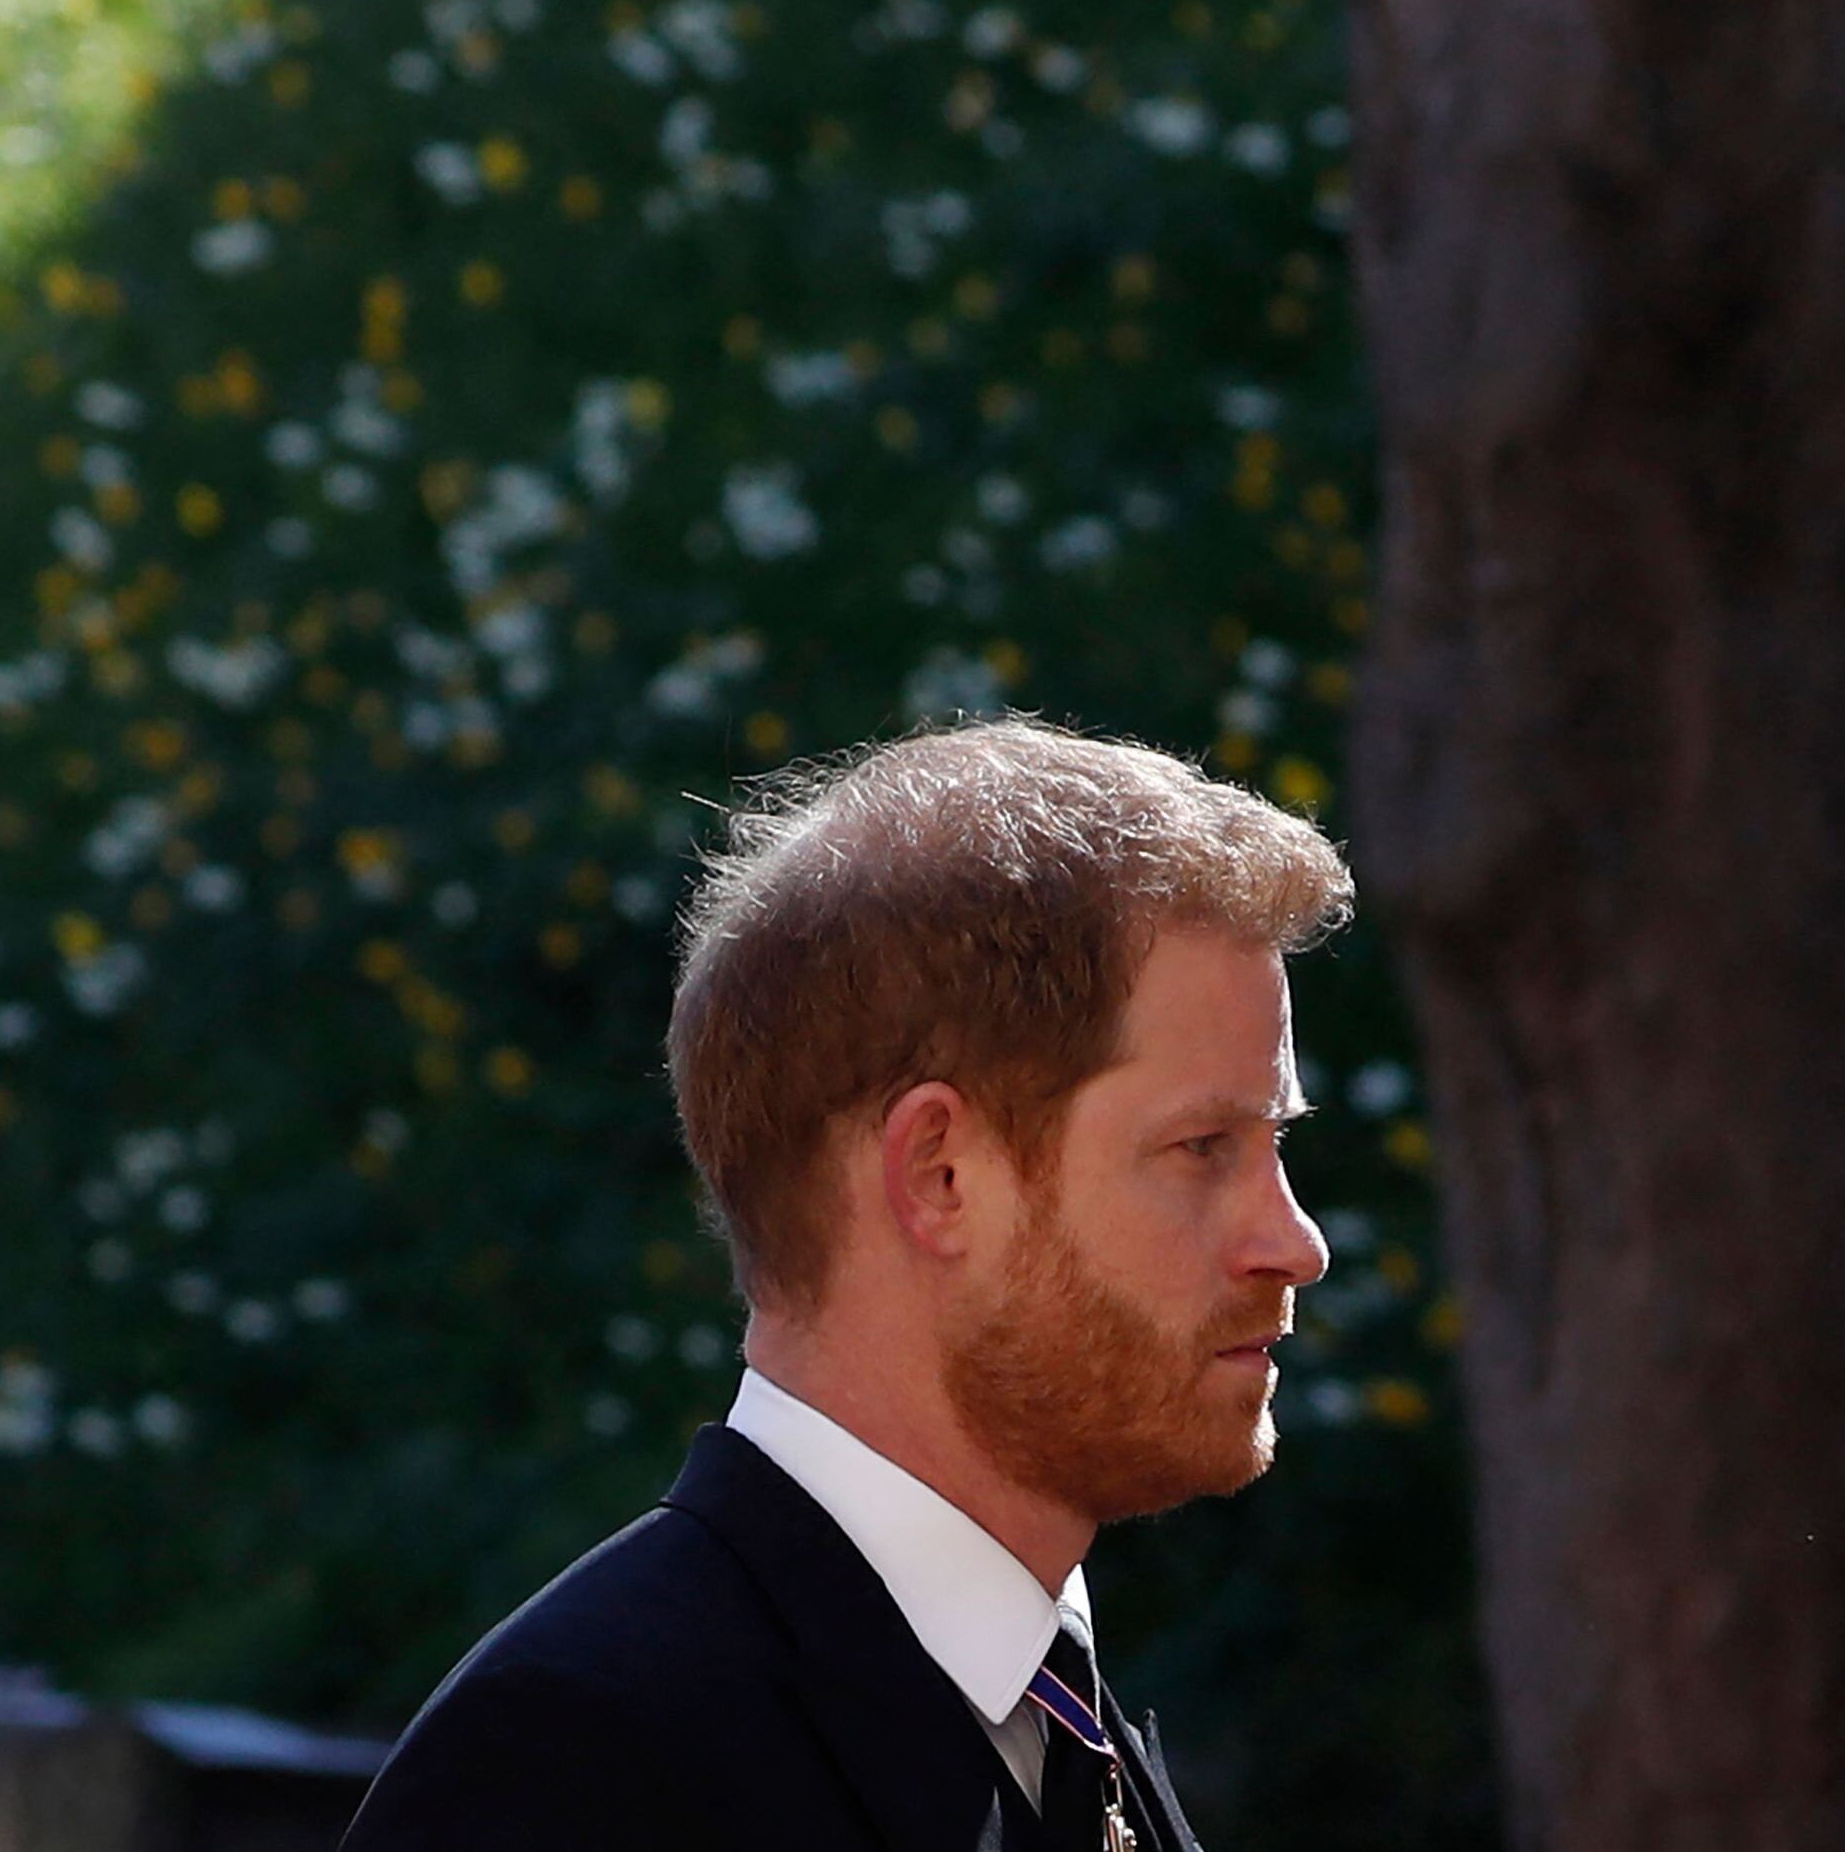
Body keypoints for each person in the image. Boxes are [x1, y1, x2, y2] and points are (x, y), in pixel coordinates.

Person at [341, 719, 1352, 1852]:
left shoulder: (1062, 1731)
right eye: (1202, 1146)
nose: (1293, 1240)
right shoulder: (579, 1761)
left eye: (1273, 1147)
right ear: (939, 1174)